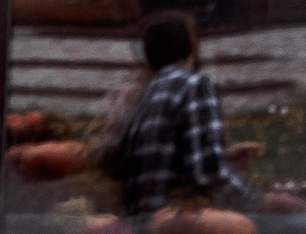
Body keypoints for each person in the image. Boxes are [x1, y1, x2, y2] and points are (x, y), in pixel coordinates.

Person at [105, 11, 256, 216]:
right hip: (179, 224)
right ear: (193, 48)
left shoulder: (144, 97)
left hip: (145, 226)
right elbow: (208, 175)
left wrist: (225, 160)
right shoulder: (195, 84)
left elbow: (161, 166)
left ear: (149, 58)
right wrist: (261, 199)